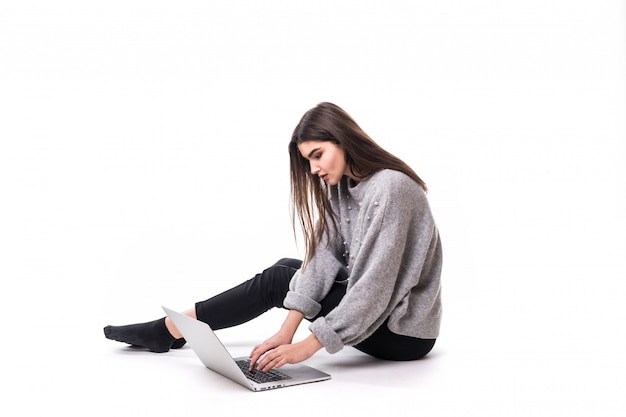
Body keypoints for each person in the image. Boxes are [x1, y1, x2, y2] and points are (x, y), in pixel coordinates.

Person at [104, 102, 442, 372]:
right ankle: (172, 330)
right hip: (378, 315)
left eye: (317, 155)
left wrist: (305, 348)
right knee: (288, 269)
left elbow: (373, 288)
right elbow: (321, 261)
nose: (313, 170)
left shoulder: (391, 188)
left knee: (281, 277)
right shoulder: (342, 189)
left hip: (403, 332)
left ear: (344, 140)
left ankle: (167, 331)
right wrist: (286, 331)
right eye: (308, 160)